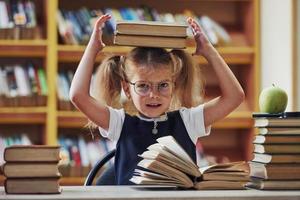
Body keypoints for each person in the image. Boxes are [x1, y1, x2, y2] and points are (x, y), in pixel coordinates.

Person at [69, 14, 245, 185]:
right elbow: (78, 96)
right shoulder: (119, 123)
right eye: (143, 86)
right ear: (127, 89)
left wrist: (208, 51)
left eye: (163, 85)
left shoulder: (189, 121)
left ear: (173, 85)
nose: (153, 95)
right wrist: (92, 48)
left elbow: (235, 97)